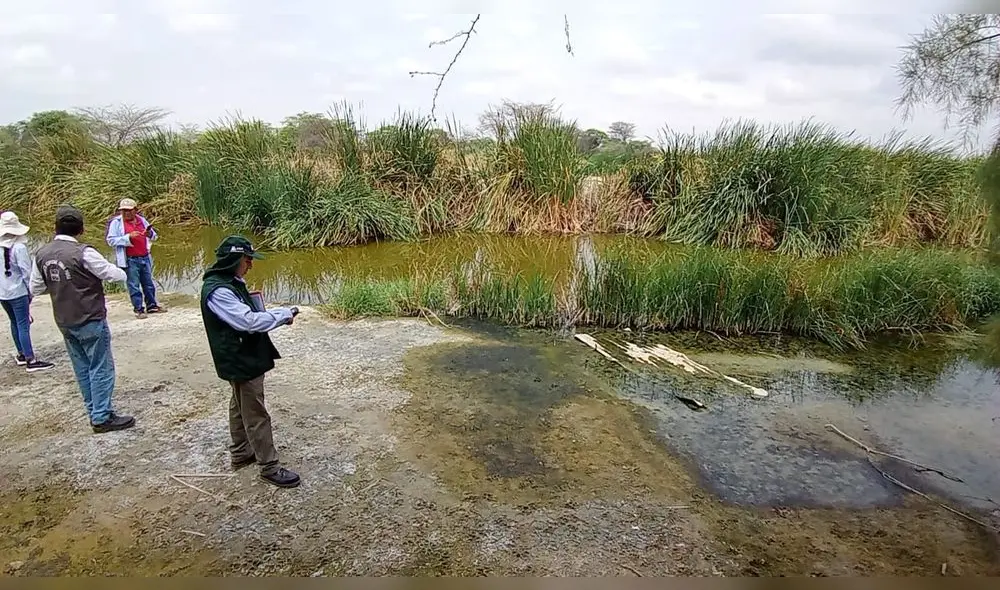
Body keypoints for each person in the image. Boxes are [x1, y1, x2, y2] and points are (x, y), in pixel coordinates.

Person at [200, 235, 301, 488]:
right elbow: (249, 322)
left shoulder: (227, 282)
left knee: (239, 405)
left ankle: (241, 452)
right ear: (234, 259)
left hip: (239, 357)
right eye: (247, 259)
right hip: (241, 359)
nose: (251, 264)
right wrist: (283, 314)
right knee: (256, 413)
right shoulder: (220, 290)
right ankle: (269, 466)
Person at [31, 205, 135, 434]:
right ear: (81, 229)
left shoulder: (42, 254)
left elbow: (36, 288)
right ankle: (101, 416)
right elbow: (114, 274)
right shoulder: (84, 252)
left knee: (82, 367)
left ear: (55, 227)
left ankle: (94, 410)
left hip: (64, 319)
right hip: (89, 316)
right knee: (100, 366)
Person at [0, 211, 53, 372]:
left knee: (14, 322)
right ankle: (31, 359)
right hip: (18, 291)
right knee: (23, 323)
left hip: (2, 292)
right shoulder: (19, 247)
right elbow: (26, 272)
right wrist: (32, 291)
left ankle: (22, 354)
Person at [106, 198, 164, 319]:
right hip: (130, 258)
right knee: (133, 285)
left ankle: (152, 306)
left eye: (129, 210)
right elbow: (111, 240)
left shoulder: (142, 220)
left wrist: (150, 234)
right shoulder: (116, 223)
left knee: (148, 284)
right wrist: (128, 237)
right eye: (123, 211)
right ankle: (138, 309)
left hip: (144, 256)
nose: (126, 213)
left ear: (135, 210)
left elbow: (154, 236)